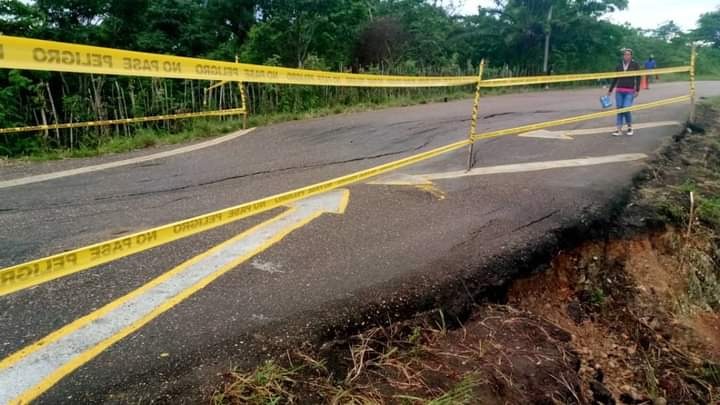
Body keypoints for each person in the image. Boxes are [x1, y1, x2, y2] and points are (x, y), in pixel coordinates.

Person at [608, 49, 640, 136]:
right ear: (623, 56)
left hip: (630, 91)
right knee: (619, 109)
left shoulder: (635, 65)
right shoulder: (619, 66)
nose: (626, 56)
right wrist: (610, 90)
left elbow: (638, 77)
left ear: (631, 56)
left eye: (628, 54)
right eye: (625, 54)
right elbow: (615, 78)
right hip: (619, 91)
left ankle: (629, 127)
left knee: (626, 108)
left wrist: (637, 90)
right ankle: (618, 129)